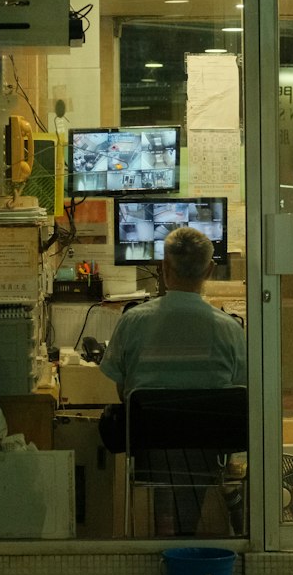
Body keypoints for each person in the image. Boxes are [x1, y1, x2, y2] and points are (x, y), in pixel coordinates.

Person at [98, 226, 246, 535]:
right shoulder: (229, 329)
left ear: (163, 267)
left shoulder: (134, 321)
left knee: (165, 450)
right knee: (193, 450)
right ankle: (185, 535)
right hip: (209, 455)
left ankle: (167, 537)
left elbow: (122, 388)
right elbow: (239, 388)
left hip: (149, 450)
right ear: (210, 269)